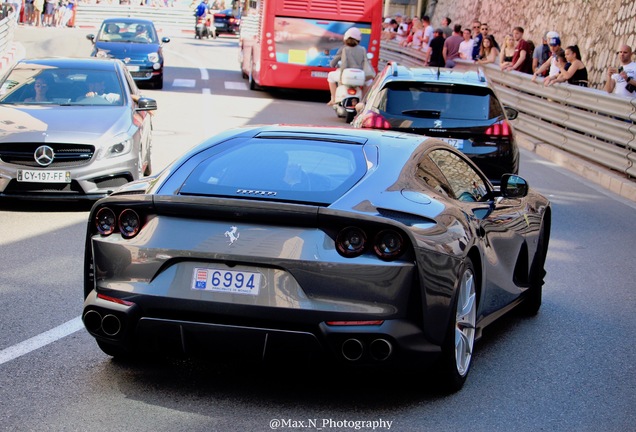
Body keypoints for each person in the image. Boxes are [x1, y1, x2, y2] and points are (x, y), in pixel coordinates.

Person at [327, 27, 370, 106]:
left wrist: (340, 76)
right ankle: (363, 101)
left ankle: (333, 98)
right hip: (359, 76)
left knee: (330, 76)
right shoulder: (363, 49)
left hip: (346, 75)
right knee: (368, 82)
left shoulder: (344, 49)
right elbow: (366, 63)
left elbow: (336, 64)